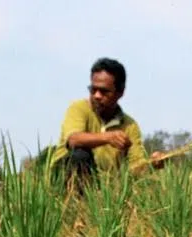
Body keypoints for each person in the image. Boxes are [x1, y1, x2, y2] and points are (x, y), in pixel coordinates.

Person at [50, 57, 166, 185]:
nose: (97, 96)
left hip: (100, 186)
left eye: (104, 91)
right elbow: (74, 139)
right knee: (80, 155)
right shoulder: (78, 108)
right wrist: (108, 138)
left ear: (120, 93)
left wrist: (152, 164)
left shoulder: (129, 125)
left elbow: (136, 168)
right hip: (63, 178)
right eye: (93, 90)